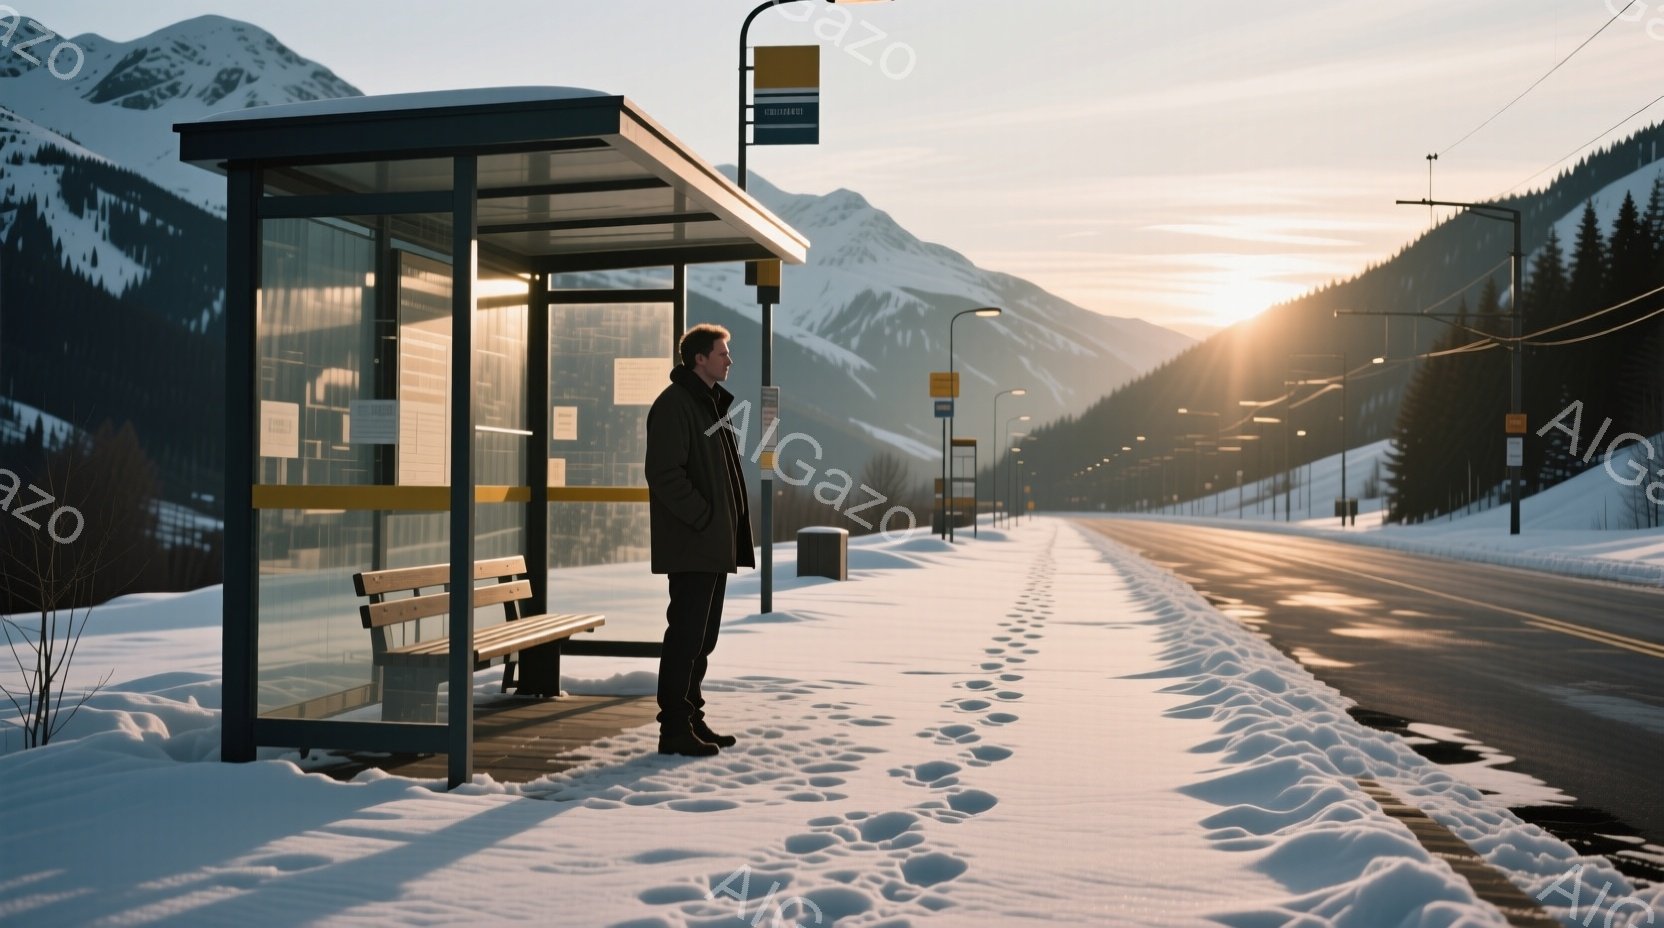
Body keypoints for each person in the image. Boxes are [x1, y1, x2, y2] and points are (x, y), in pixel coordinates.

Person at [645, 324, 755, 756]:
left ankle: (691, 717)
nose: (729, 360)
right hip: (694, 543)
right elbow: (664, 474)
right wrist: (704, 518)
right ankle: (673, 729)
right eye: (722, 353)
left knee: (702, 639)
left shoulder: (707, 403)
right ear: (699, 359)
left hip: (710, 543)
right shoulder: (675, 405)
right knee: (686, 637)